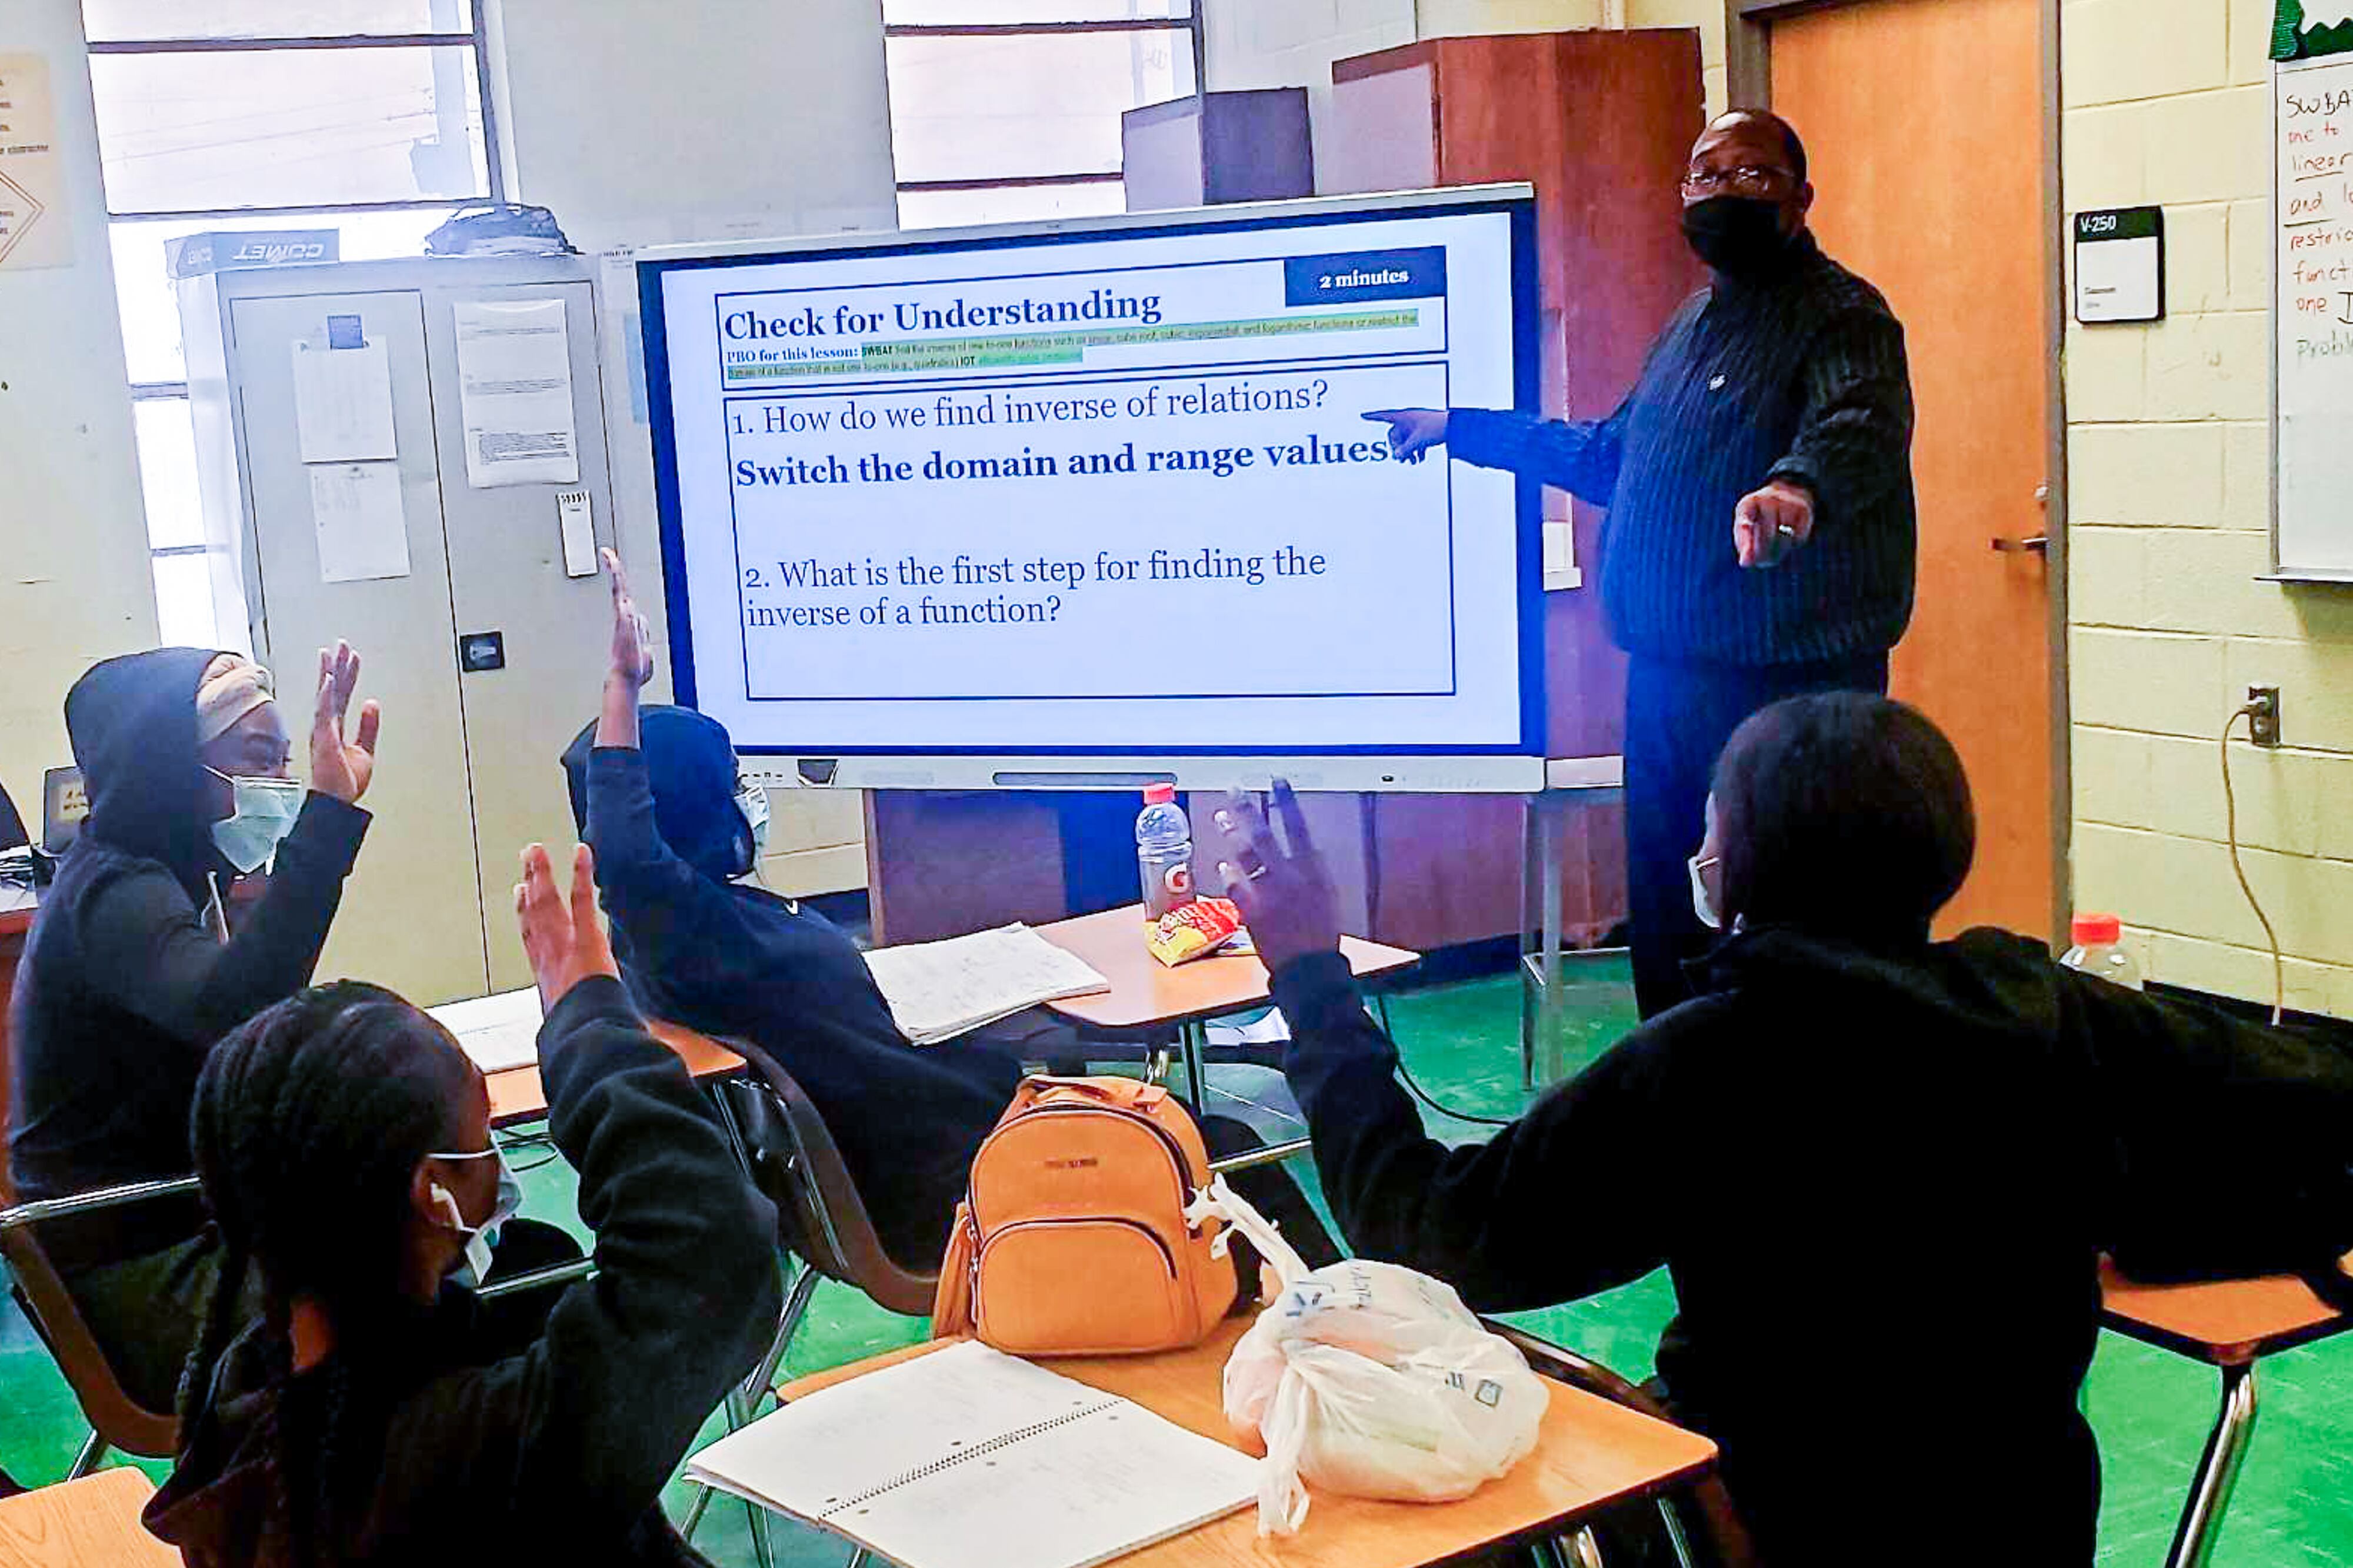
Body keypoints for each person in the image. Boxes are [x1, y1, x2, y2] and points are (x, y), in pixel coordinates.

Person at [1214, 696, 2353, 1566]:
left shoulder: (1710, 1057)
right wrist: (2139, 1223)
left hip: (1763, 1533)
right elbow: (2305, 1097)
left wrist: (1312, 974)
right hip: (2025, 1535)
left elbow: (1426, 1226)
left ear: (1738, 860)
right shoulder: (2049, 1014)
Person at [564, 552, 1338, 1270]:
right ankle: (1347, 1333)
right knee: (1222, 1146)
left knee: (1180, 1124)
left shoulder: (667, 941)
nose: (748, 795)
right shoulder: (694, 929)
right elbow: (627, 855)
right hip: (957, 1187)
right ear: (688, 806)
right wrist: (622, 688)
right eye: (731, 779)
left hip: (948, 1153)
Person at [1365, 109, 1916, 1018]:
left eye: (1752, 175)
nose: (1722, 191)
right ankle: (1676, 1116)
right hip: (1668, 682)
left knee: (1789, 926)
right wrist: (1465, 429)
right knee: (1668, 917)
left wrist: (1795, 490)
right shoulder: (1694, 322)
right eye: (1705, 175)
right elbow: (1608, 458)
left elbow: (1855, 425)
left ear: (1801, 198)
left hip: (1793, 696)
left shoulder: (1844, 315)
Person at [144, 841, 782, 1565]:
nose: (496, 1153)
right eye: (481, 1126)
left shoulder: (246, 1400)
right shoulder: (478, 1458)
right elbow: (711, 1256)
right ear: (435, 1194)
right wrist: (590, 1025)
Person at [9, 644, 381, 1410]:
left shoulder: (166, 876)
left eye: (284, 759)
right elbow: (230, 1012)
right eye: (256, 758)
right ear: (169, 769)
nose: (277, 780)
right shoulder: (114, 892)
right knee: (418, 1285)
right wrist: (328, 821)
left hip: (172, 1227)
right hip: (140, 1271)